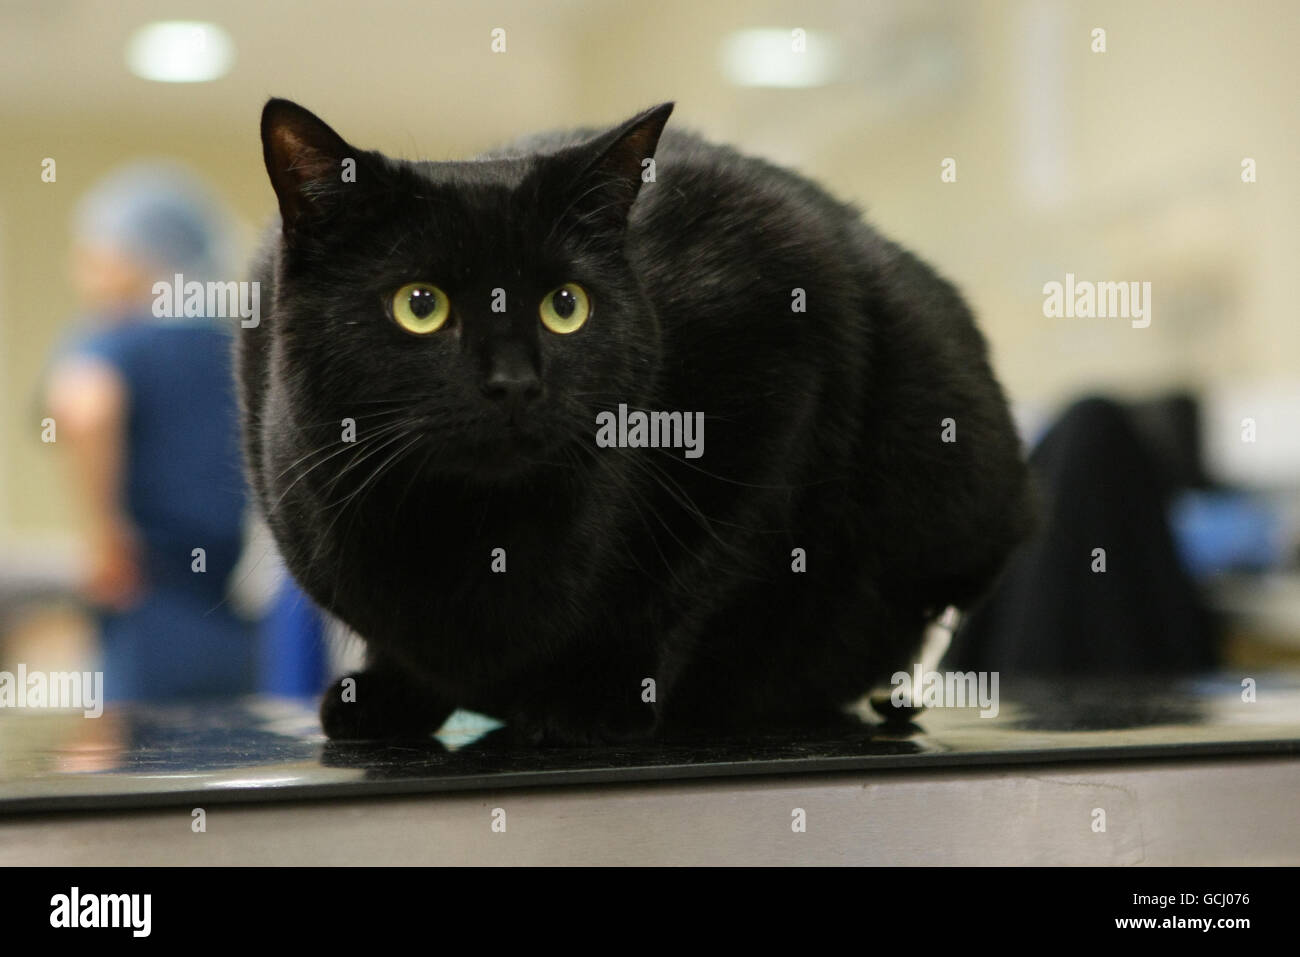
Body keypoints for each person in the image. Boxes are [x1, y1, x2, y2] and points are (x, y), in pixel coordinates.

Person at [44, 162, 257, 701]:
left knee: (140, 747)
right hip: (234, 605)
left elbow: (85, 408)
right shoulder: (232, 342)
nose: (79, 273)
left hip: (148, 592)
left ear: (137, 258)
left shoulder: (118, 336)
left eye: (93, 255)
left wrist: (104, 536)